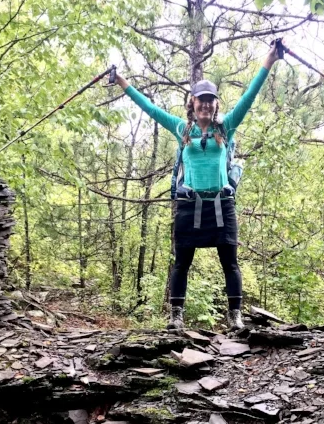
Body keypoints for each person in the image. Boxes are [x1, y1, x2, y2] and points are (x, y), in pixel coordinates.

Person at [113, 41, 282, 331]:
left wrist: (269, 59)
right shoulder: (182, 130)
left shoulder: (225, 128)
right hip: (189, 205)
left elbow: (250, 96)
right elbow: (150, 109)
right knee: (182, 263)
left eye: (210, 99)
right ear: (192, 102)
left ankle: (235, 316)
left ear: (216, 104)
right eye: (200, 99)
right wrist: (121, 82)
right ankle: (176, 316)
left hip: (221, 204)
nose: (205, 103)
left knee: (230, 263)